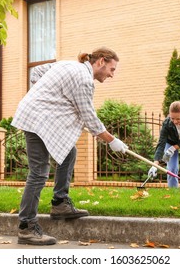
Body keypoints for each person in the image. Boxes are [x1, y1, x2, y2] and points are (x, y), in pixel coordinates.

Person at [11, 47, 128, 245]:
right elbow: (89, 117)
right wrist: (112, 140)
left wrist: (45, 96)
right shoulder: (83, 80)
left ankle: (60, 203)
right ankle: (26, 226)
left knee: (69, 152)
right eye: (112, 69)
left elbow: (37, 73)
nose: (111, 75)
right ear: (101, 61)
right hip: (36, 119)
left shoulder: (69, 64)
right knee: (39, 172)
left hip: (40, 117)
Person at [148, 101, 180, 188]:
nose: (175, 121)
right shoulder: (166, 123)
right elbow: (161, 143)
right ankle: (173, 190)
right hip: (171, 141)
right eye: (172, 118)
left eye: (178, 119)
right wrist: (155, 165)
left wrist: (174, 147)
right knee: (172, 167)